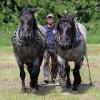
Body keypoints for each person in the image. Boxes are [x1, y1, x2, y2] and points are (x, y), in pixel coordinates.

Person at [43, 13, 58, 84]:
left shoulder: (57, 27)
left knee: (54, 63)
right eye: (49, 18)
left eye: (51, 18)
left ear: (53, 19)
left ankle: (53, 77)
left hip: (55, 48)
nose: (50, 19)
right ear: (47, 19)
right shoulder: (44, 28)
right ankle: (46, 77)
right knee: (46, 62)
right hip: (46, 48)